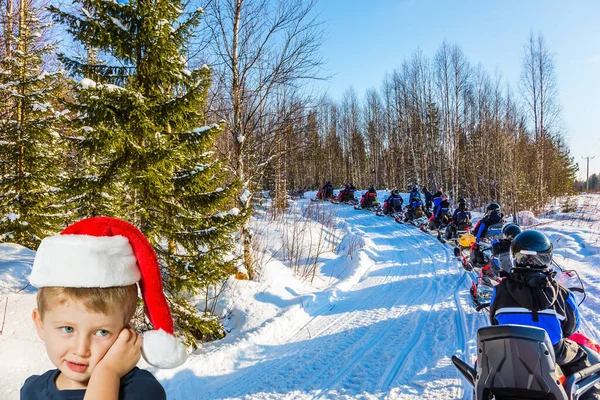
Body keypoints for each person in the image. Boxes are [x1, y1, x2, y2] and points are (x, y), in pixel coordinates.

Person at [21, 217, 187, 399]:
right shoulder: (32, 390)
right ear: (40, 323)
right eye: (67, 329)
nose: (81, 350)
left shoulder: (141, 390)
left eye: (101, 332)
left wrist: (108, 373)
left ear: (126, 335)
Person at [489, 230, 596, 379]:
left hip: (510, 350)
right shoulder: (562, 293)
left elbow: (494, 321)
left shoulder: (499, 290)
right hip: (552, 351)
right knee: (579, 357)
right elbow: (571, 328)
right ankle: (587, 393)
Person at [470, 202, 505, 268]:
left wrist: (476, 243)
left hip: (487, 243)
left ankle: (477, 264)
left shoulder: (485, 221)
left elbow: (478, 234)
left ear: (491, 211)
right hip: (500, 243)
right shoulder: (502, 221)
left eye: (489, 210)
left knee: (475, 247)